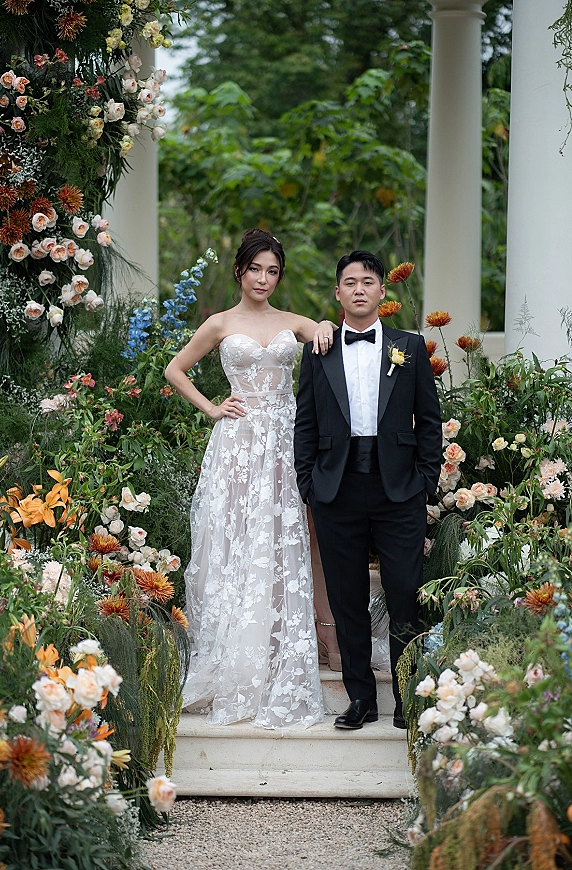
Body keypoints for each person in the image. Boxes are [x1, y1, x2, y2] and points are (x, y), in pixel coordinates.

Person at [165, 229, 336, 728]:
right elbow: (176, 370)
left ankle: (284, 648)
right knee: (237, 541)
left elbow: (324, 326)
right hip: (238, 443)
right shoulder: (220, 323)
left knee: (286, 541)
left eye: (273, 271)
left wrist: (325, 322)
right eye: (256, 269)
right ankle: (234, 655)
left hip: (285, 441)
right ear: (239, 271)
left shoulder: (290, 322)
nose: (263, 278)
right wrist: (213, 408)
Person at [294, 250, 442, 730]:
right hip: (336, 488)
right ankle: (360, 699)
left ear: (382, 291)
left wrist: (425, 480)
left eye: (368, 281)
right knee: (347, 597)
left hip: (399, 488)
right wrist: (308, 484)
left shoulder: (411, 346)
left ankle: (407, 696)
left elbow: (430, 422)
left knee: (404, 594)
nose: (360, 289)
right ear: (338, 292)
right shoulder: (318, 350)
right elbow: (306, 424)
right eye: (350, 282)